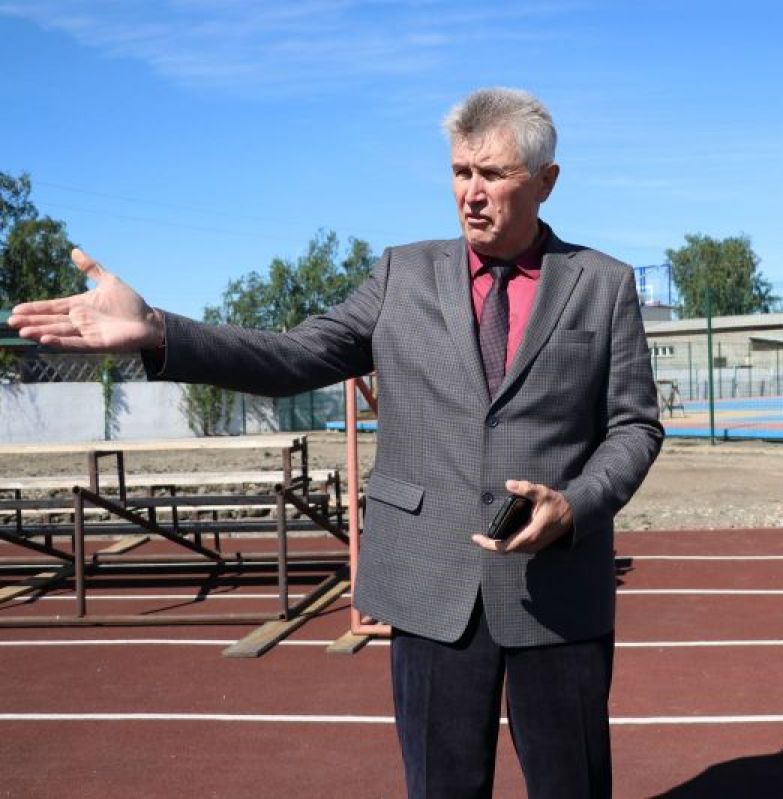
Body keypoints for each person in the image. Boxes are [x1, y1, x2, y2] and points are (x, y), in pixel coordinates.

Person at [7, 87, 663, 798]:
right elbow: (293, 356)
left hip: (558, 592)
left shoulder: (603, 285)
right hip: (428, 584)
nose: (471, 193)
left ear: (545, 181)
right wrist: (160, 331)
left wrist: (574, 506)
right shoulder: (402, 274)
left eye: (493, 174)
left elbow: (634, 426)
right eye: (460, 171)